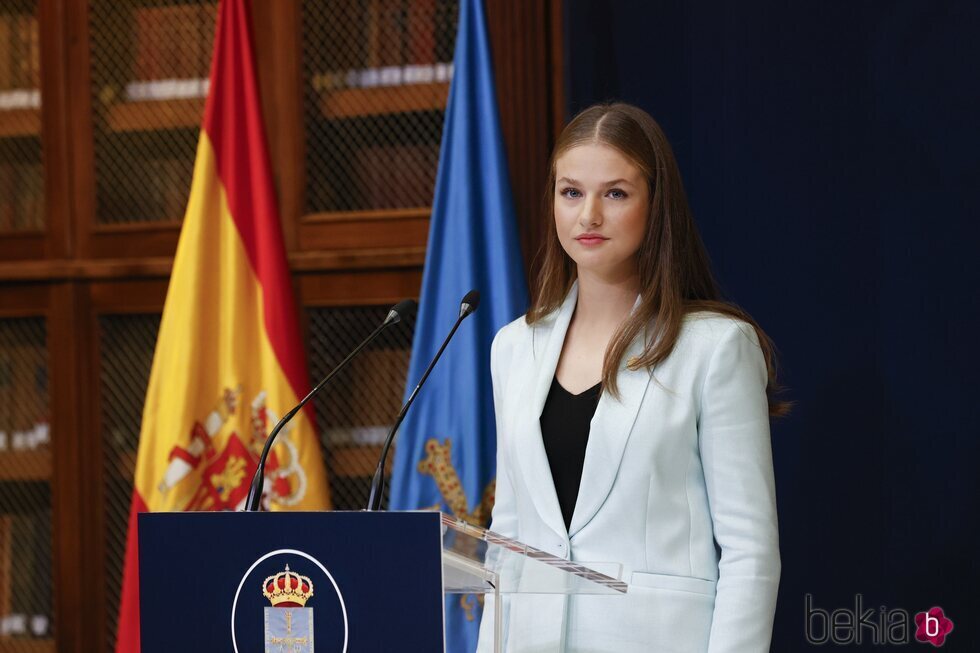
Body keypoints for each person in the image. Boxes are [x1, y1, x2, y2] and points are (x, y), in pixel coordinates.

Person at [477, 102, 786, 653]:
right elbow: (509, 538)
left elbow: (750, 549)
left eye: (615, 193)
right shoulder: (513, 348)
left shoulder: (714, 348)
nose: (588, 215)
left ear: (655, 205)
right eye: (571, 192)